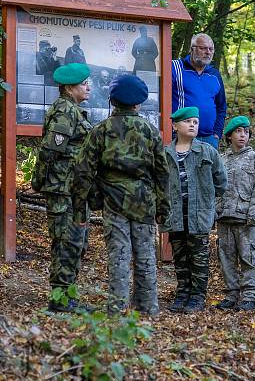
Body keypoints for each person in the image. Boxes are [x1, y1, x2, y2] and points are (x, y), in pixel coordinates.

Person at [72, 74, 170, 315]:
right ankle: (148, 307)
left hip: (112, 202)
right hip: (144, 201)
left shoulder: (101, 130)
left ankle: (116, 309)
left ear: (112, 101)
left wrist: (79, 208)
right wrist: (163, 208)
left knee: (119, 256)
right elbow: (162, 173)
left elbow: (83, 171)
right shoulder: (150, 131)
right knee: (145, 255)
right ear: (138, 103)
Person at [32, 63, 93, 312]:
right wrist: (40, 180)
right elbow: (50, 150)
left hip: (73, 188)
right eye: (83, 84)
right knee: (67, 242)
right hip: (63, 189)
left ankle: (66, 296)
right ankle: (60, 300)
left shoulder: (72, 109)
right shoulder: (66, 111)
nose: (88, 87)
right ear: (69, 87)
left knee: (74, 242)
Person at [162, 106, 228, 313]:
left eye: (195, 122)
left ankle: (197, 296)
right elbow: (159, 183)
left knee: (198, 257)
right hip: (175, 215)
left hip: (198, 216)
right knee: (180, 257)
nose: (192, 124)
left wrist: (207, 201)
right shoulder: (166, 154)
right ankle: (182, 293)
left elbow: (221, 181)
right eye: (187, 121)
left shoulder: (207, 151)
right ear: (175, 126)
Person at [215, 116, 255, 312]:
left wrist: (254, 215)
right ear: (229, 136)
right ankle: (231, 294)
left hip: (246, 218)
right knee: (226, 257)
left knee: (248, 257)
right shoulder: (221, 159)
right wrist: (215, 210)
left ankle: (248, 295)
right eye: (238, 132)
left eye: (245, 132)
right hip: (224, 217)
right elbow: (215, 187)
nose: (242, 135)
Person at [171, 33, 227, 148]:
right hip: (181, 137)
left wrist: (217, 133)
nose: (208, 52)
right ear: (192, 49)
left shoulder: (214, 74)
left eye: (211, 49)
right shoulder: (175, 68)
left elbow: (221, 106)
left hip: (209, 139)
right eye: (203, 48)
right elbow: (162, 100)